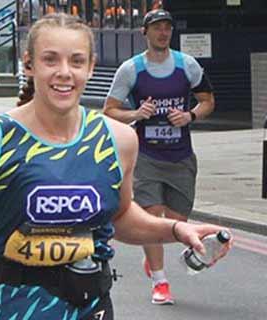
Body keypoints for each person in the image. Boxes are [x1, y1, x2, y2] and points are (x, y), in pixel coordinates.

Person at [0, 13, 229, 319]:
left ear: (91, 67)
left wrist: (176, 231)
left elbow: (120, 218)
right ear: (28, 65)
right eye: (50, 60)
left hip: (90, 307)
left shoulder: (118, 140)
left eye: (76, 61)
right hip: (8, 308)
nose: (64, 73)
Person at [103, 9, 215, 305]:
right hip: (146, 156)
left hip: (181, 156)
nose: (163, 33)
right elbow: (109, 110)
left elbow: (208, 101)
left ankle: (152, 258)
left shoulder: (186, 65)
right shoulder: (131, 69)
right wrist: (136, 114)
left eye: (167, 28)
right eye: (157, 28)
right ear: (145, 33)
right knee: (152, 218)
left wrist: (190, 115)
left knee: (177, 223)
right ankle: (160, 280)